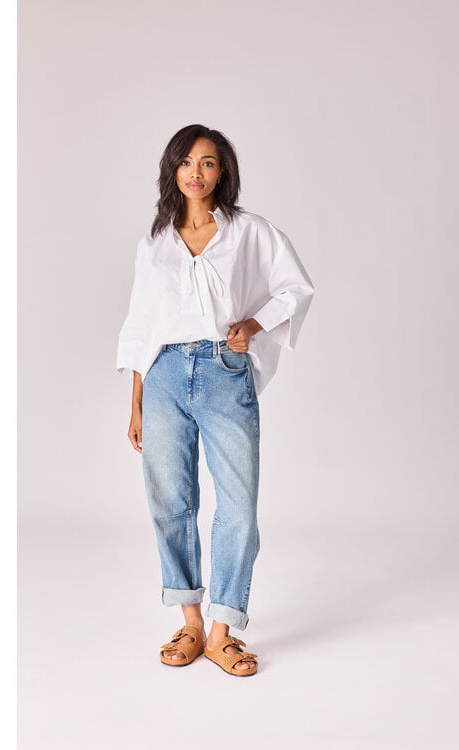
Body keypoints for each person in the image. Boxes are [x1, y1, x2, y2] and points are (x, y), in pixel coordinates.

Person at [116, 124, 315, 677]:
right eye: (185, 162)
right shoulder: (155, 243)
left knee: (238, 506)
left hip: (224, 371)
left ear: (222, 170)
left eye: (207, 162)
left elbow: (295, 288)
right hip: (162, 375)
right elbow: (140, 325)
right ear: (172, 170)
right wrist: (135, 402)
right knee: (170, 502)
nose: (195, 172)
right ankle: (190, 622)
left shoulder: (249, 232)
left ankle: (223, 630)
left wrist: (251, 324)